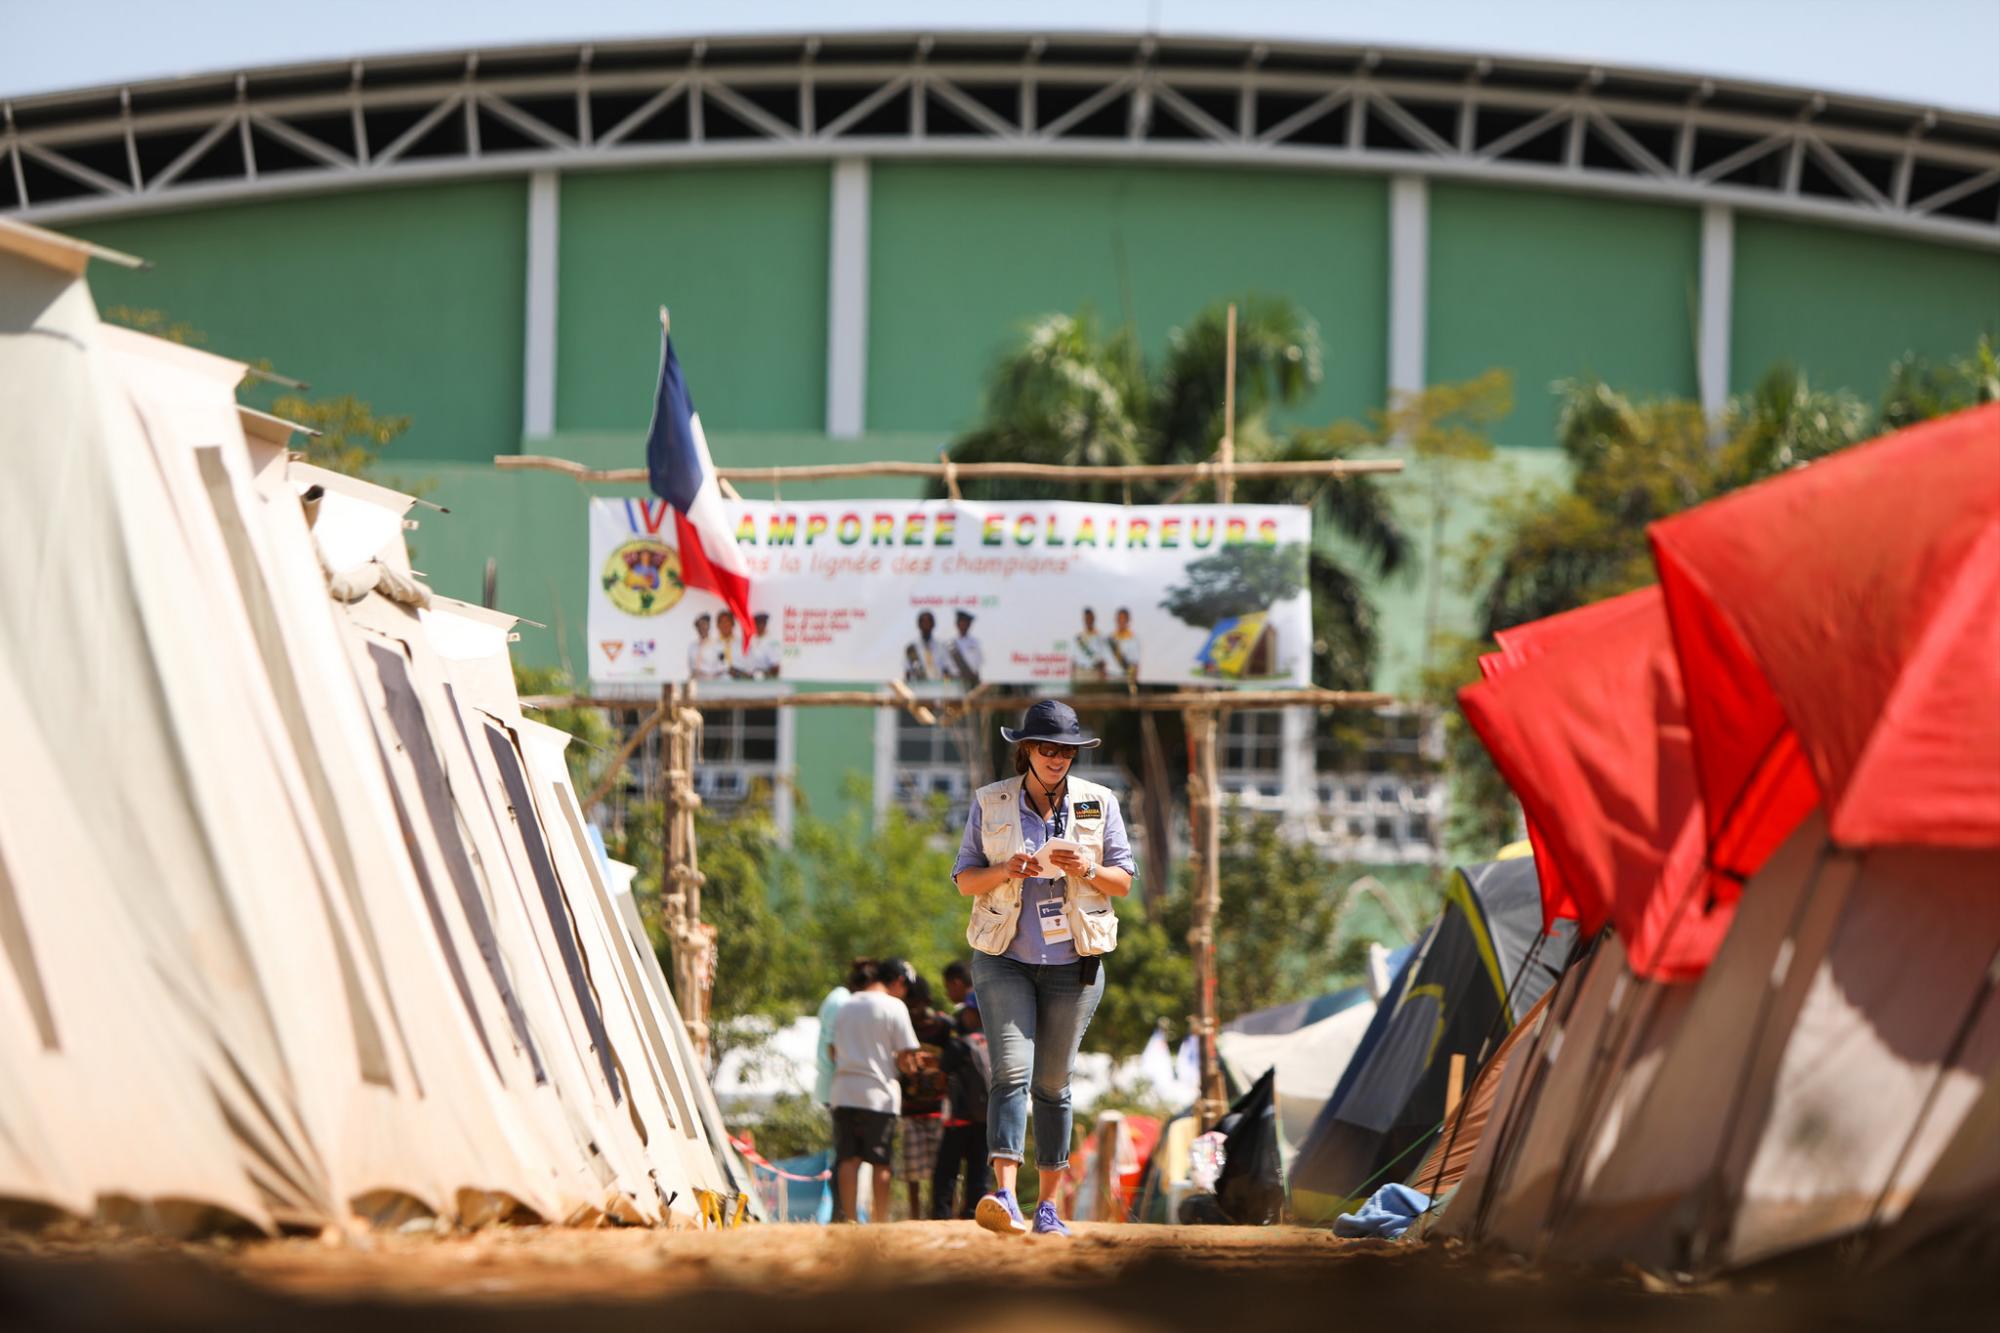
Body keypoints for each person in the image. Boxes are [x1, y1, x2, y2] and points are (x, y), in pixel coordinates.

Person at [952, 699, 1136, 1237]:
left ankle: (1049, 1207)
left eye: (1067, 751)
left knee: (1053, 1085)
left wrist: (1090, 868)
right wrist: (1005, 869)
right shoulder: (991, 802)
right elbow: (964, 879)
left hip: (1073, 964)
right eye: (1047, 748)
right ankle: (1005, 1197)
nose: (1058, 759)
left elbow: (1123, 881)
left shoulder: (1100, 803)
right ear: (1026, 751)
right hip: (1002, 958)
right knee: (1011, 1072)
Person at [830, 959, 922, 1223]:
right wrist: (911, 1070)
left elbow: (833, 1049)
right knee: (880, 1162)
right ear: (900, 981)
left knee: (848, 1159)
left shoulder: (845, 1004)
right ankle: (879, 1221)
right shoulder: (894, 1006)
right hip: (879, 1094)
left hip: (844, 1091)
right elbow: (906, 1056)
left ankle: (850, 1219)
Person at [898, 971, 953, 1220]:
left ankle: (940, 1213)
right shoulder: (900, 1024)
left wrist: (936, 1063)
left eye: (917, 1003)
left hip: (937, 1105)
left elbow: (955, 1059)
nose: (914, 1010)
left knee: (940, 1168)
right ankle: (914, 1215)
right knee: (912, 1171)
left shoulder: (942, 1026)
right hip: (908, 1108)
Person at [931, 993, 991, 1218]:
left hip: (958, 1119)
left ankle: (941, 1214)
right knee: (979, 1172)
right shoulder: (996, 1043)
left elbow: (941, 1078)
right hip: (986, 1119)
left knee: (946, 1171)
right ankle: (974, 1214)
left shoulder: (958, 1045)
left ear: (972, 1013)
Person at [816, 959, 870, 1127]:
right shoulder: (842, 1001)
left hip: (834, 1087)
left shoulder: (839, 997)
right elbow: (834, 1049)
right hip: (837, 1088)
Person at [945, 610, 983, 685]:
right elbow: (947, 665)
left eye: (966, 623)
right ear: (957, 624)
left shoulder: (976, 642)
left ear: (969, 625)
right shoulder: (950, 644)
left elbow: (978, 662)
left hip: (971, 679)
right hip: (955, 680)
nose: (964, 625)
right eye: (961, 623)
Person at [905, 610, 943, 681]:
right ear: (919, 625)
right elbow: (907, 672)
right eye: (923, 622)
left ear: (933, 624)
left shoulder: (941, 646)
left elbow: (947, 670)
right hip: (918, 688)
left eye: (929, 622)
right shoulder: (911, 648)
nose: (926, 625)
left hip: (939, 686)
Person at [1070, 608, 1107, 680]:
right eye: (1086, 618)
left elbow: (1103, 660)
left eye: (1090, 618)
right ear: (1084, 620)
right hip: (1080, 672)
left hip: (1095, 672)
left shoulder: (1100, 637)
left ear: (1094, 619)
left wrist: (1103, 676)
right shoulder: (1078, 637)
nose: (1088, 621)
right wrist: (1073, 677)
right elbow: (1074, 660)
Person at [1106, 607, 1140, 682]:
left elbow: (1135, 663)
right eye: (1119, 618)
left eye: (1123, 618)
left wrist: (1134, 680)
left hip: (1126, 677)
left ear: (1128, 620)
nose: (1121, 621)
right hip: (1111, 676)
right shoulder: (1110, 638)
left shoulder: (1133, 639)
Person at [688, 613, 725, 680]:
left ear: (709, 626)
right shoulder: (692, 646)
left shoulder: (718, 646)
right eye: (699, 625)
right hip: (695, 681)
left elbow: (722, 666)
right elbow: (691, 666)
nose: (702, 628)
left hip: (711, 682)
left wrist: (708, 675)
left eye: (704, 625)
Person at [746, 611, 781, 679]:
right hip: (752, 679)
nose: (759, 626)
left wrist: (762, 673)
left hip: (767, 679)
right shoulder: (752, 640)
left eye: (761, 623)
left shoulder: (772, 641)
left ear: (765, 624)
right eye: (757, 624)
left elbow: (776, 667)